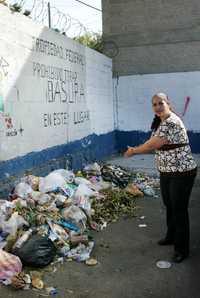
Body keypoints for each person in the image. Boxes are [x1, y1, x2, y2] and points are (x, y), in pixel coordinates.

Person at [124, 92, 197, 263]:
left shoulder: (171, 122)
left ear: (168, 104)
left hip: (181, 173)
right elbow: (154, 142)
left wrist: (133, 151)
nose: (157, 107)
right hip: (167, 172)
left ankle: (182, 249)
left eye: (160, 103)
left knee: (179, 210)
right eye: (154, 104)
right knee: (169, 205)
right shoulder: (160, 122)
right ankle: (171, 237)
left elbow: (153, 145)